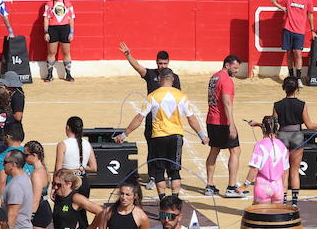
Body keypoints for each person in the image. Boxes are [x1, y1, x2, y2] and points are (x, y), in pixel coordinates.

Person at [114, 68, 208, 198]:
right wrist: (201, 135)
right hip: (176, 136)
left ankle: (163, 200)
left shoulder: (153, 96)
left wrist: (125, 134)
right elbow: (191, 118)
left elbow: (139, 118)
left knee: (159, 171)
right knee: (174, 171)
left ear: (160, 79)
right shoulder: (181, 96)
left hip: (158, 137)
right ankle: (174, 200)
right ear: (173, 79)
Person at [271, 77, 317, 205]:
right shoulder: (302, 104)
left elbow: (273, 125)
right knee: (295, 171)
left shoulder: (277, 105)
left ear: (284, 88)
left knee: (284, 171)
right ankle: (294, 201)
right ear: (297, 89)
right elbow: (309, 126)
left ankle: (283, 200)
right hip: (296, 136)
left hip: (282, 136)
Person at [120, 43, 182, 147]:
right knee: (152, 148)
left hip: (168, 118)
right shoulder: (151, 74)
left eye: (164, 64)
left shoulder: (174, 77)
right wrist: (128, 56)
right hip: (152, 117)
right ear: (156, 62)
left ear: (168, 62)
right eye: (160, 63)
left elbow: (178, 99)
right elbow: (137, 66)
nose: (162, 66)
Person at [204, 55, 244, 197]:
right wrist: (231, 125)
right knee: (235, 151)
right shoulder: (226, 80)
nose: (237, 71)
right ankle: (231, 187)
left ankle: (209, 185)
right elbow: (227, 103)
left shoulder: (214, 77)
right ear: (227, 65)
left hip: (211, 120)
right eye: (235, 67)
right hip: (222, 122)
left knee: (214, 151)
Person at [272, 0, 315, 83]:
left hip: (300, 30)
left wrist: (312, 29)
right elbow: (273, 0)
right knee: (289, 53)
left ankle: (298, 78)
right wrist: (281, 7)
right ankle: (291, 78)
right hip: (288, 28)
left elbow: (310, 15)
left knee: (298, 53)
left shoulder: (308, 0)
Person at [245, 116, 289, 204]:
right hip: (278, 187)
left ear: (263, 128)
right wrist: (284, 190)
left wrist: (245, 185)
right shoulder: (282, 146)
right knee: (275, 215)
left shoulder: (260, 145)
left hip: (262, 186)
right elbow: (285, 171)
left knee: (260, 215)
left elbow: (254, 169)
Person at [53, 115, 95, 198]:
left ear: (68, 127)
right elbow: (93, 167)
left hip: (68, 181)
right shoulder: (87, 143)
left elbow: (58, 169)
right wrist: (81, 167)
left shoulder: (63, 144)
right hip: (83, 181)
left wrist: (54, 186)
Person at [41, 0, 75, 82]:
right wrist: (46, 32)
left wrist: (71, 32)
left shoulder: (68, 3)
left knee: (66, 52)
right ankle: (49, 74)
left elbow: (71, 19)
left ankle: (68, 74)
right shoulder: (49, 3)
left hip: (65, 28)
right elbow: (46, 18)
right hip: (53, 28)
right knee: (51, 52)